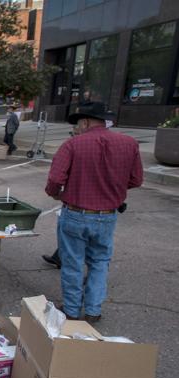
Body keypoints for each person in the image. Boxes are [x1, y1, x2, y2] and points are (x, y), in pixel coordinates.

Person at [45, 101, 143, 323]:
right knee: (100, 262)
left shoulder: (73, 145)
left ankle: (71, 309)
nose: (76, 129)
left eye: (78, 124)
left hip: (75, 212)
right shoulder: (129, 144)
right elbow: (136, 179)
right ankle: (93, 310)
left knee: (73, 262)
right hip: (107, 214)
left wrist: (55, 194)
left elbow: (55, 180)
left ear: (86, 122)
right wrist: (112, 189)